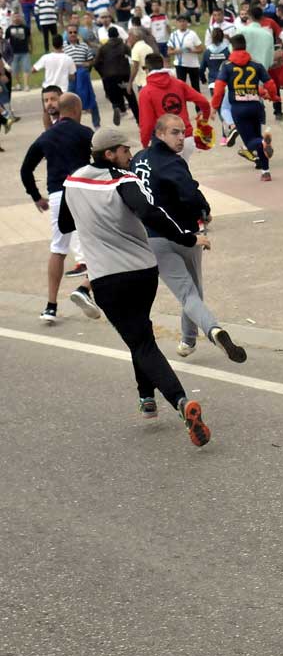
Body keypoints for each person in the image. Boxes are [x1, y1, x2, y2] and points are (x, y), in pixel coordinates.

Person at [58, 127, 211, 444]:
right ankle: (147, 400)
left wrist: (91, 219)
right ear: (110, 154)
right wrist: (186, 236)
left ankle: (181, 401)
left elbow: (64, 224)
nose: (131, 155)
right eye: (125, 151)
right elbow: (149, 213)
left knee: (140, 342)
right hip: (142, 273)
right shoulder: (122, 180)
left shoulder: (72, 182)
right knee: (140, 334)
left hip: (106, 279)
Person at [131, 113, 245, 363]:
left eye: (183, 132)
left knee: (187, 293)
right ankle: (214, 330)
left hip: (153, 237)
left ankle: (188, 340)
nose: (181, 137)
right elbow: (190, 192)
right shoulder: (172, 162)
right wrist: (204, 211)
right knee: (192, 293)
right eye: (175, 132)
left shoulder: (138, 159)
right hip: (186, 235)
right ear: (159, 133)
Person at [20, 92, 100, 324]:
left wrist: (37, 197)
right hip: (82, 191)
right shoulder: (86, 134)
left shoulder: (46, 137)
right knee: (99, 245)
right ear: (76, 109)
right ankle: (85, 288)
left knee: (58, 248)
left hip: (57, 194)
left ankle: (51, 306)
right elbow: (101, 162)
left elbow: (26, 170)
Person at [211, 35, 277, 181]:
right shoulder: (256, 64)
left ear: (232, 47)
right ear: (245, 46)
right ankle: (265, 172)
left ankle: (262, 146)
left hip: (239, 108)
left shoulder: (227, 66)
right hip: (255, 105)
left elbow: (219, 88)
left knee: (250, 143)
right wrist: (273, 97)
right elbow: (270, 83)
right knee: (258, 137)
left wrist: (214, 107)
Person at [138, 52, 211, 162]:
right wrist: (204, 119)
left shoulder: (146, 92)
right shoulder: (179, 83)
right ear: (163, 65)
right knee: (181, 172)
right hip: (186, 137)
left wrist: (144, 144)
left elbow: (147, 123)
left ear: (146, 69)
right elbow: (203, 102)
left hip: (165, 141)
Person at [94, 26, 139, 126]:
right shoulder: (123, 46)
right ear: (118, 35)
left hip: (110, 77)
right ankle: (139, 121)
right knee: (131, 99)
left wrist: (103, 74)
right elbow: (133, 56)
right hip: (124, 76)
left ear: (108, 36)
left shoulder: (103, 48)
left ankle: (117, 108)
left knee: (114, 97)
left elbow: (96, 63)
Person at [167, 15, 203, 92]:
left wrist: (192, 51)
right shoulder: (173, 35)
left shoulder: (192, 34)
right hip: (180, 65)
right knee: (180, 88)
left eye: (184, 21)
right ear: (176, 23)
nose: (182, 24)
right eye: (180, 22)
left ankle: (198, 104)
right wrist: (177, 51)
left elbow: (200, 49)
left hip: (192, 64)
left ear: (187, 23)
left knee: (195, 87)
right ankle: (182, 103)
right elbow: (169, 52)